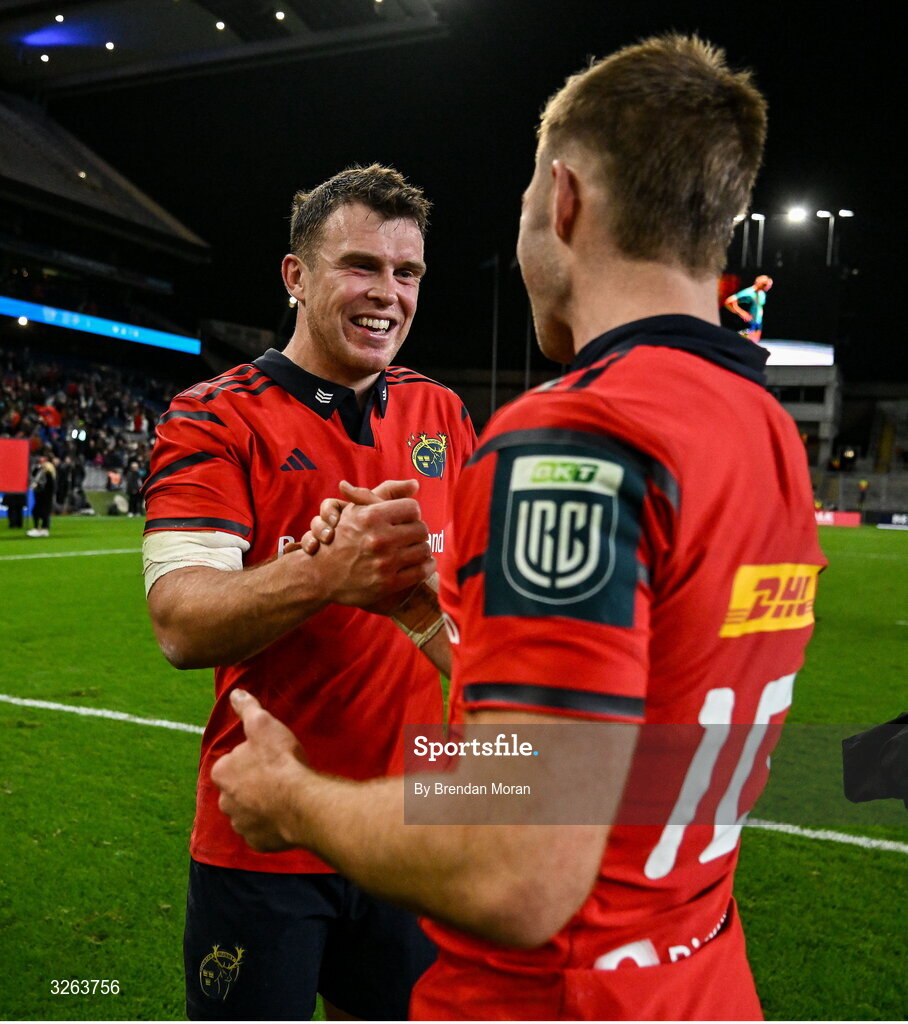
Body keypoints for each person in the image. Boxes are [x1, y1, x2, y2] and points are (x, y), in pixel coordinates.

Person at [212, 35, 827, 1021]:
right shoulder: (758, 425)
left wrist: (296, 798)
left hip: (557, 996)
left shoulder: (572, 434)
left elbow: (522, 867)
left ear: (563, 200)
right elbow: (617, 746)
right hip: (699, 976)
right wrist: (432, 625)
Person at [142, 165, 476, 1020]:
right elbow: (180, 621)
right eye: (361, 266)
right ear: (296, 276)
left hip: (413, 829)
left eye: (408, 275)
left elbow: (485, 623)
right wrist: (324, 574)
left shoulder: (442, 416)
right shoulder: (213, 418)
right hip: (266, 838)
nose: (388, 295)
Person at [724, 273, 773, 342]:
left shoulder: (762, 294)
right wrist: (741, 312)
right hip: (747, 323)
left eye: (769, 285)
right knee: (742, 342)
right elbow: (728, 302)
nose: (768, 287)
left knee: (754, 342)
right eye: (765, 285)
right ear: (759, 283)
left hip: (757, 322)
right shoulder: (748, 293)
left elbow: (760, 307)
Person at [27, 453, 55, 537]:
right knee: (39, 512)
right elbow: (34, 475)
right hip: (41, 496)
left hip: (45, 496)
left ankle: (42, 528)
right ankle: (41, 528)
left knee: (42, 513)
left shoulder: (49, 475)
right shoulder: (40, 472)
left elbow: (48, 486)